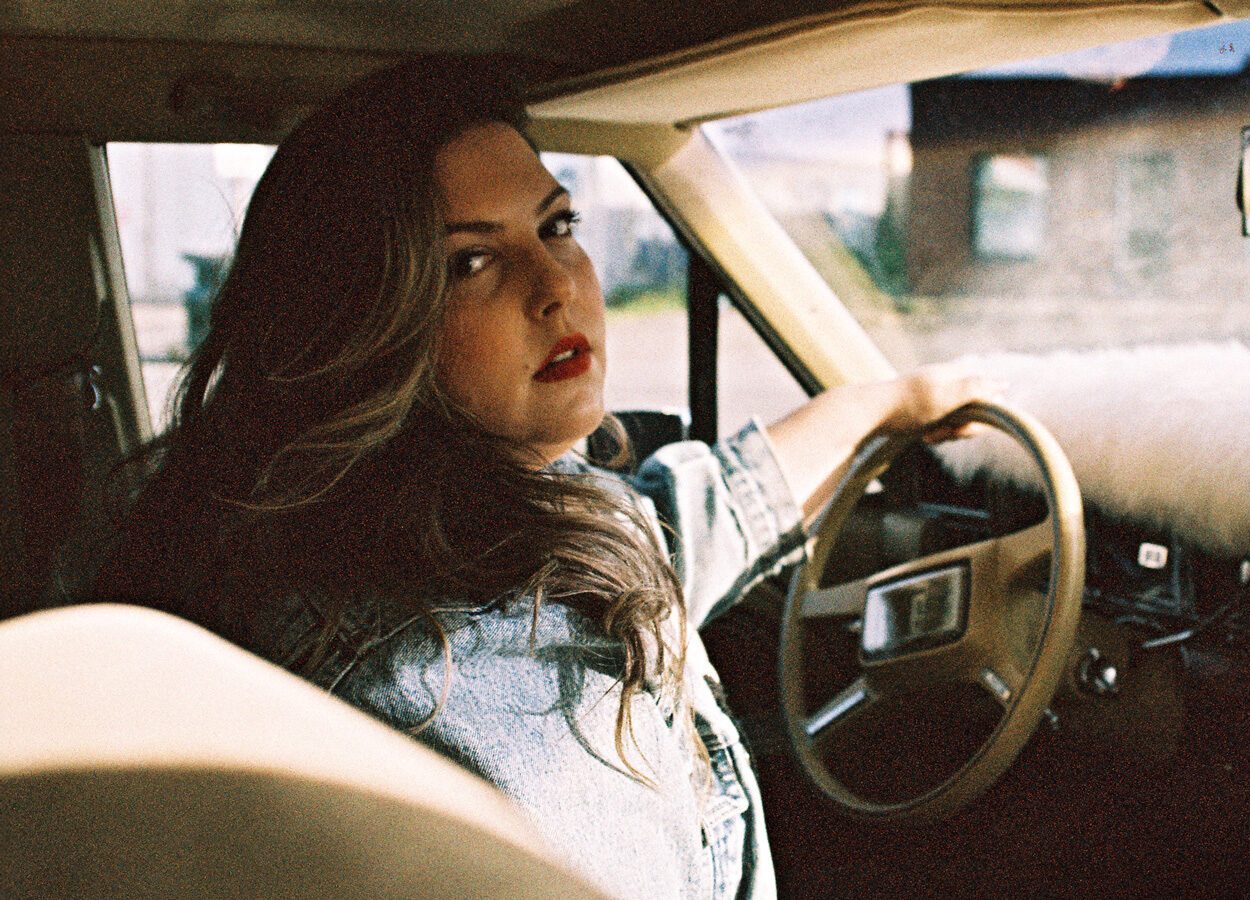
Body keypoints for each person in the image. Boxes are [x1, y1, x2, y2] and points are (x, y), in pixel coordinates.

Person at [94, 58, 994, 898]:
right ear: (366, 325)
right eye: (471, 262)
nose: (555, 285)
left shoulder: (409, 527)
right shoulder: (519, 685)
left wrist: (894, 401)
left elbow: (686, 518)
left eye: (556, 225)